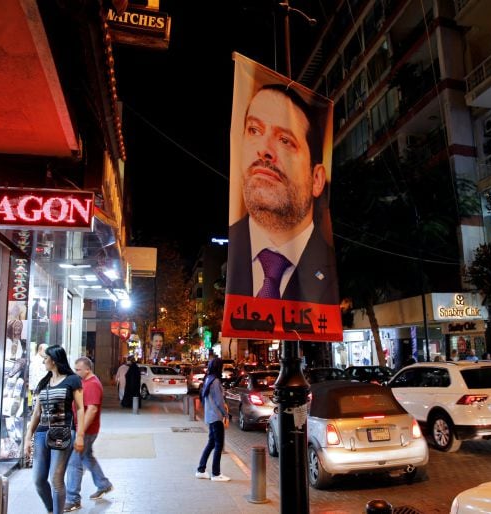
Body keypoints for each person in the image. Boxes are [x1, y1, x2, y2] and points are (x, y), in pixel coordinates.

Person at [226, 84, 338, 304]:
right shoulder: (230, 255)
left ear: (316, 179)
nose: (264, 149)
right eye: (254, 130)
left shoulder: (331, 268)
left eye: (285, 141)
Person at [23, 345, 85, 514]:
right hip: (42, 432)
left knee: (56, 479)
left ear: (54, 360)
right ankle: (51, 509)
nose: (43, 361)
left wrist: (80, 435)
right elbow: (37, 412)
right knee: (38, 479)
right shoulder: (43, 382)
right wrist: (28, 437)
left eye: (45, 358)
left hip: (64, 431)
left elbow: (80, 408)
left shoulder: (72, 380)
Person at [64, 357, 113, 511]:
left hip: (86, 431)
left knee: (74, 463)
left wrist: (80, 432)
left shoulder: (92, 385)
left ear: (87, 369)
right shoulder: (85, 382)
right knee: (86, 457)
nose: (76, 371)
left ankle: (73, 499)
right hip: (85, 429)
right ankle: (103, 484)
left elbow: (92, 409)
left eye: (78, 369)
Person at [196, 358, 230, 482]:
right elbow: (219, 401)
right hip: (216, 417)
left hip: (210, 415)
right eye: (222, 366)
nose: (223, 369)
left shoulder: (208, 379)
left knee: (211, 443)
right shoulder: (215, 381)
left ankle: (201, 470)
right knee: (218, 445)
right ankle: (216, 473)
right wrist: (226, 414)